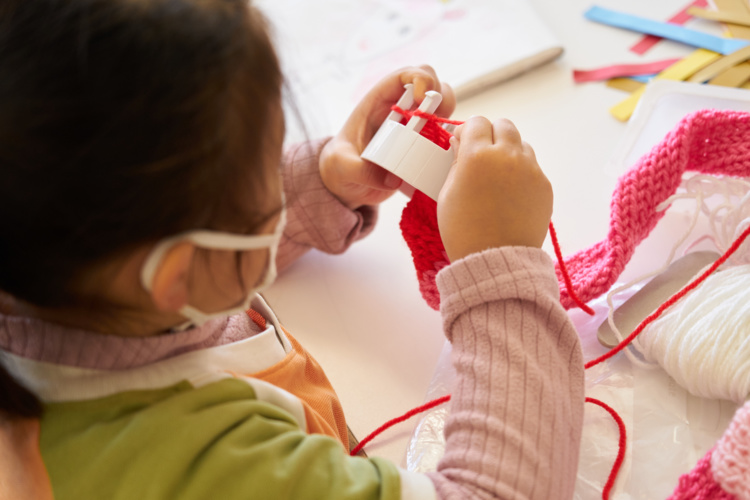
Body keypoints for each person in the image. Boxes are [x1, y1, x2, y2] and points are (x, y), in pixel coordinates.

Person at [0, 0, 584, 499]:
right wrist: (502, 271)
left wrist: (321, 182)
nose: (276, 191)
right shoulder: (214, 464)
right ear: (174, 272)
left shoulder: (41, 254)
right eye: (263, 200)